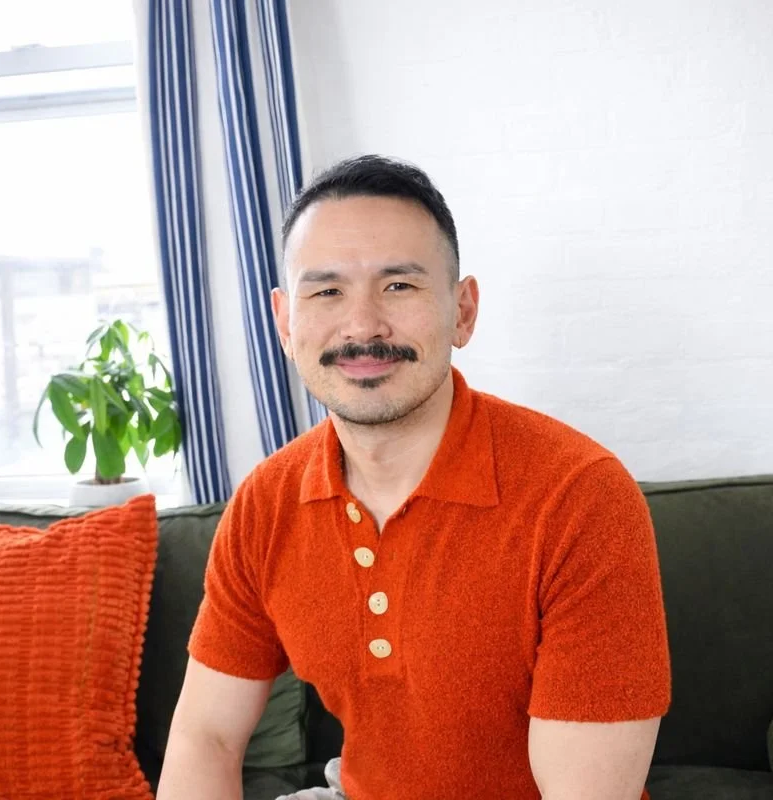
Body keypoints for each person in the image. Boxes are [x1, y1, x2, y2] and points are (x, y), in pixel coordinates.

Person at [157, 155, 671, 800]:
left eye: (399, 286)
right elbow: (205, 737)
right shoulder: (266, 501)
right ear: (286, 322)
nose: (363, 325)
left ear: (463, 311)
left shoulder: (581, 496)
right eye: (327, 291)